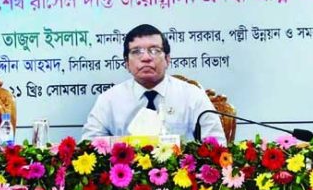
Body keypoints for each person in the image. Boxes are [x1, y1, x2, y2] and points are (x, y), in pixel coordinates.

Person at [82, 24, 226, 144]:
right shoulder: (109, 100)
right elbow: (89, 147)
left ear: (168, 59)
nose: (146, 58)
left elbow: (217, 146)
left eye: (155, 50)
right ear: (126, 63)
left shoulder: (192, 95)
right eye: (136, 51)